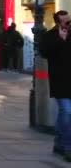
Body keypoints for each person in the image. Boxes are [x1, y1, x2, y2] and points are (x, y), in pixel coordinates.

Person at [41, 10, 71, 161]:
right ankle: (67, 148)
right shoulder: (50, 36)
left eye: (69, 20)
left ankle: (59, 143)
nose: (68, 24)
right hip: (60, 81)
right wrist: (60, 40)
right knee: (67, 112)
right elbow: (43, 52)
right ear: (58, 22)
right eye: (66, 22)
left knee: (64, 115)